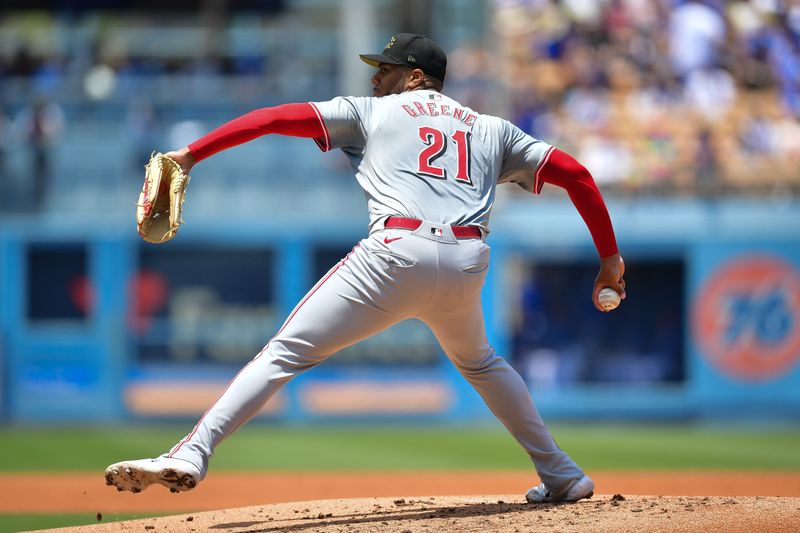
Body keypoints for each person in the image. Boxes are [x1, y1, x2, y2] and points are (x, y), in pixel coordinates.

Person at [105, 33, 625, 504]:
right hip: (467, 261)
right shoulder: (492, 129)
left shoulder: (372, 113)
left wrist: (192, 153)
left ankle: (191, 453)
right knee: (482, 363)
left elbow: (270, 119)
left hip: (395, 254)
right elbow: (576, 174)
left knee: (285, 351)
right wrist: (609, 259)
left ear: (416, 77)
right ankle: (561, 475)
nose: (376, 77)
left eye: (387, 68)